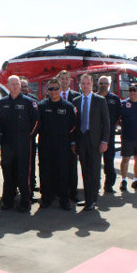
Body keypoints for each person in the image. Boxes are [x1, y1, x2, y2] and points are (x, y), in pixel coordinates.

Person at [0, 75, 39, 213]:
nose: (14, 86)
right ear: (8, 86)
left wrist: (28, 137)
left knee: (23, 173)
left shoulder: (28, 102)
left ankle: (25, 202)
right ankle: (7, 201)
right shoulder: (2, 103)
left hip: (23, 144)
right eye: (12, 84)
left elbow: (36, 122)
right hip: (7, 144)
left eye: (17, 84)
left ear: (20, 86)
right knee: (8, 173)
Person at [71, 74, 110, 211]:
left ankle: (93, 200)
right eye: (83, 83)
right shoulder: (75, 101)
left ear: (92, 85)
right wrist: (73, 143)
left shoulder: (99, 100)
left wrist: (105, 141)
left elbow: (106, 123)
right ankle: (88, 199)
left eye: (88, 83)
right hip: (81, 140)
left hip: (95, 141)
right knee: (85, 170)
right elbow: (74, 125)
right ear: (80, 85)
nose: (85, 86)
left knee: (94, 171)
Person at [37, 79, 77, 210]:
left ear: (60, 90)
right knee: (45, 172)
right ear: (47, 91)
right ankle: (46, 199)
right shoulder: (41, 106)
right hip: (45, 145)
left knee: (63, 173)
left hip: (62, 146)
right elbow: (37, 125)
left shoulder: (68, 107)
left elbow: (73, 126)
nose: (53, 92)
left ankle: (64, 200)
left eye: (56, 89)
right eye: (50, 89)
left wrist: (71, 142)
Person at [58, 70, 81, 203]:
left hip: (72, 139)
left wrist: (75, 140)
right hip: (58, 139)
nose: (65, 81)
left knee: (72, 167)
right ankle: (60, 192)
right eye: (62, 79)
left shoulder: (77, 97)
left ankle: (73, 192)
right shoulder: (53, 95)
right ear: (59, 80)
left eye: (67, 79)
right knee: (59, 166)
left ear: (70, 81)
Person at [97, 76, 121, 193]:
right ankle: (95, 184)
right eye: (101, 83)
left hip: (109, 135)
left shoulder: (114, 99)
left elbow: (118, 115)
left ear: (109, 85)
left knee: (109, 161)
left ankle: (109, 184)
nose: (103, 85)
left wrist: (111, 127)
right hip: (95, 135)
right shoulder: (94, 97)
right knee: (95, 162)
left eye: (105, 83)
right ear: (98, 84)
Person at [20, 76, 38, 199]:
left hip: (28, 140)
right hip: (14, 141)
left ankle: (30, 190)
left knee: (30, 166)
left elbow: (36, 121)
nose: (23, 89)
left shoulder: (33, 101)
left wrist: (30, 135)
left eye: (25, 86)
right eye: (22, 86)